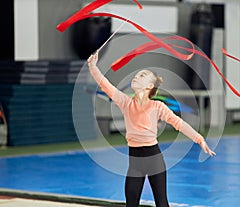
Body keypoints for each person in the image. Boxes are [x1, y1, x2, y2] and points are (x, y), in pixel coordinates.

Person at [87, 50, 216, 207]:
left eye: (142, 75)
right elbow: (105, 85)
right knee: (131, 203)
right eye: (137, 74)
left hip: (154, 159)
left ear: (149, 86)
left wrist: (199, 139)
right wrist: (93, 66)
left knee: (161, 203)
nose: (136, 76)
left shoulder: (157, 106)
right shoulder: (126, 102)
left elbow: (179, 123)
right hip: (134, 162)